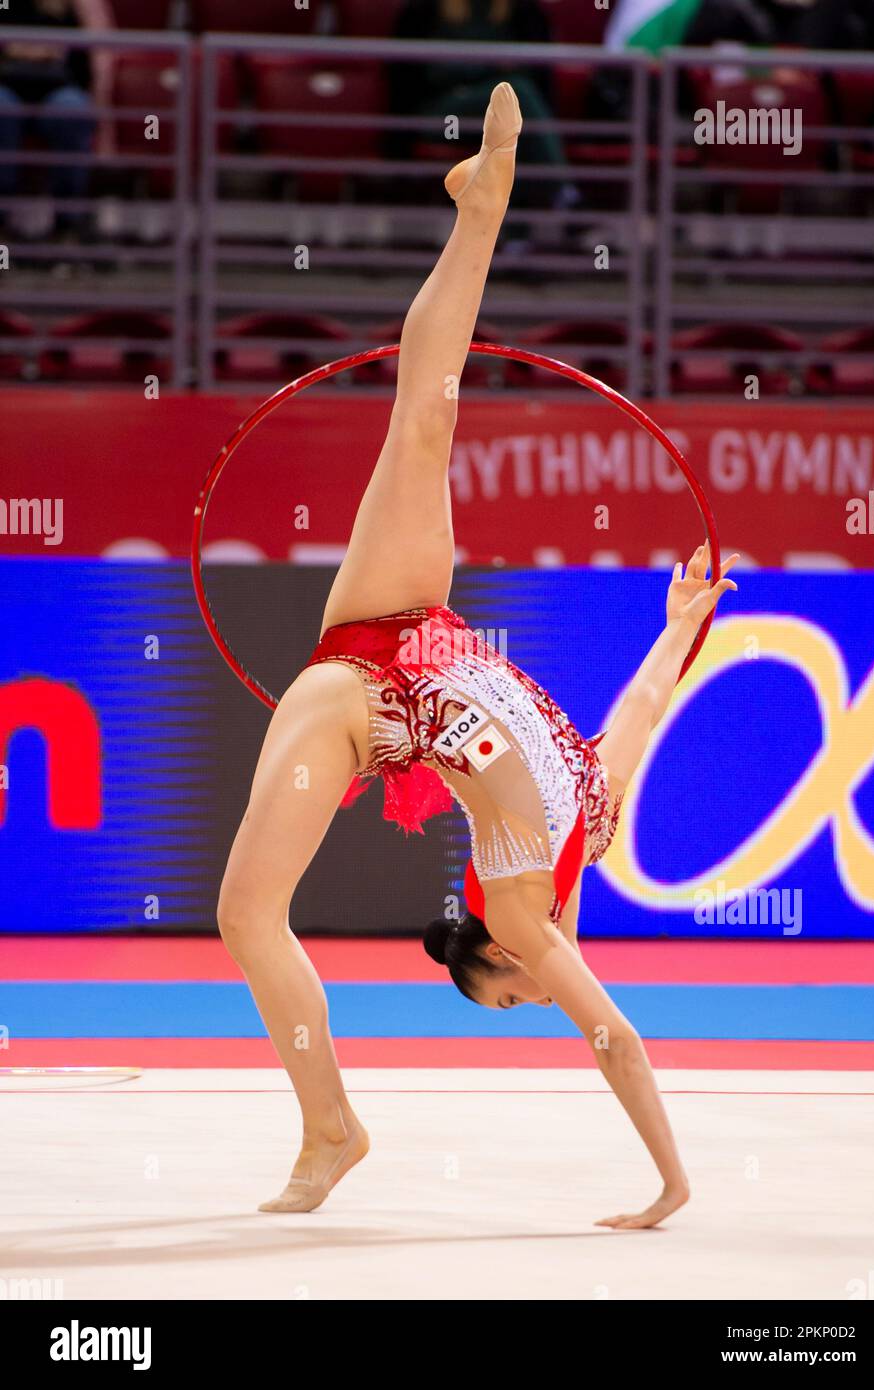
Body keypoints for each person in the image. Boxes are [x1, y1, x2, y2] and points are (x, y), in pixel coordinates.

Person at [216, 84, 739, 1227]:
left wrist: (680, 633)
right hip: (379, 672)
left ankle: (332, 1129)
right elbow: (614, 1035)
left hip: (376, 676)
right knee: (423, 413)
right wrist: (670, 1182)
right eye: (520, 1004)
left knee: (423, 413)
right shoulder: (556, 873)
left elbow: (646, 706)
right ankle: (480, 208)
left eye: (517, 1004)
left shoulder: (560, 858)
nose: (534, 997)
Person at [388, 0, 577, 210]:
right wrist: (493, 68)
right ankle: (563, 194)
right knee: (517, 95)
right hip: (444, 116)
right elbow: (427, 74)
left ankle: (514, 236)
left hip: (500, 115)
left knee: (511, 120)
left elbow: (537, 73)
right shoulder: (423, 10)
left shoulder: (524, 11)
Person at [0, 0, 114, 233]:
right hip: (7, 84)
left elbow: (94, 61)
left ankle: (67, 221)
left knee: (72, 110)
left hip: (61, 85)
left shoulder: (82, 6)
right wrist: (13, 49)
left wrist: (54, 52)